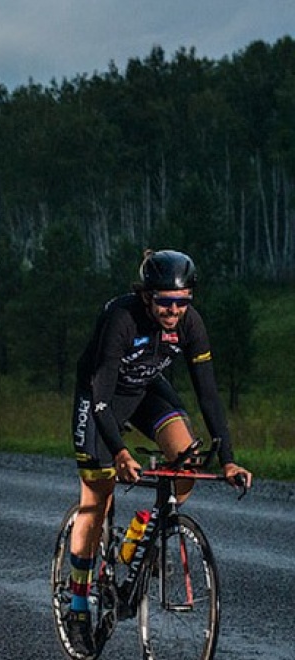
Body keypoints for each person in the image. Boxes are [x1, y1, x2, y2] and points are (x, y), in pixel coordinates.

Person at [62, 249, 253, 656]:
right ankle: (77, 606)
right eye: (165, 301)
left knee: (186, 460)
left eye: (182, 302)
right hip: (101, 397)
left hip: (147, 390)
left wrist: (229, 457)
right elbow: (100, 393)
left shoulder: (190, 324)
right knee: (96, 497)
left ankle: (139, 532)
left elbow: (208, 393)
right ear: (147, 296)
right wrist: (119, 451)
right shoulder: (122, 318)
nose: (173, 310)